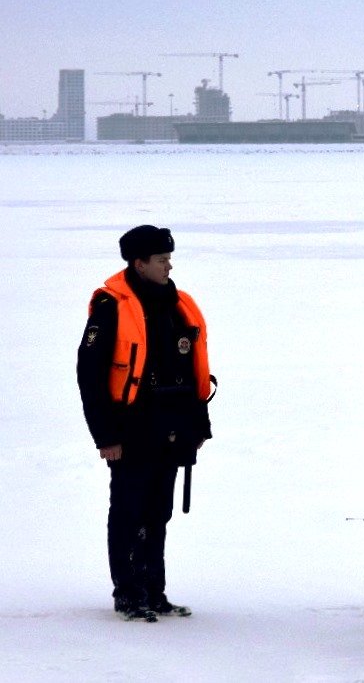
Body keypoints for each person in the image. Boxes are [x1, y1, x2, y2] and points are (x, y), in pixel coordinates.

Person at [77, 225, 213, 622]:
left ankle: (154, 590)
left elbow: (193, 372)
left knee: (159, 511)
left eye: (169, 258)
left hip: (171, 423)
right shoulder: (110, 308)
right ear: (139, 264)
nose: (169, 265)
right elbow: (90, 376)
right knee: (128, 510)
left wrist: (198, 425)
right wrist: (105, 435)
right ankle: (128, 593)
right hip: (130, 426)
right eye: (161, 260)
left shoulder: (177, 305)